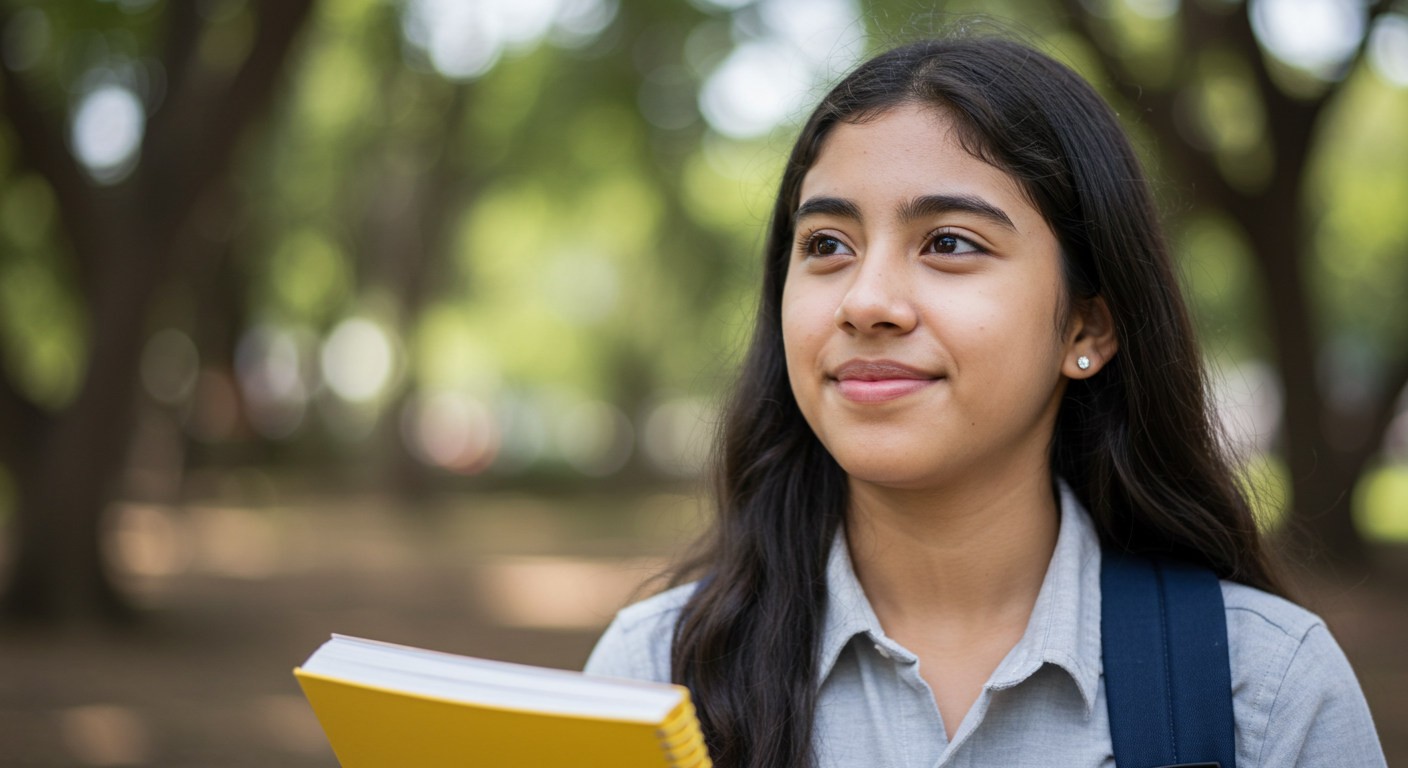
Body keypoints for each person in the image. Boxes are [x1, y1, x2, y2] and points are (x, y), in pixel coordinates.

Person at [584, 36, 1386, 768]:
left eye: (950, 243)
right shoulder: (655, 678)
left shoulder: (1264, 690)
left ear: (1088, 322)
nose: (866, 302)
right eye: (827, 245)